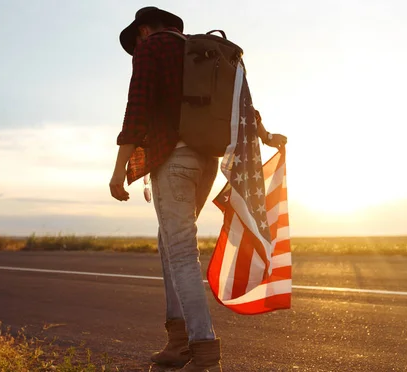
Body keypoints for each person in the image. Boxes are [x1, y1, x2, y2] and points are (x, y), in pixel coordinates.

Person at [109, 6, 288, 371]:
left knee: (180, 253)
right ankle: (178, 343)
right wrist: (266, 136)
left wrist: (118, 171)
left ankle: (204, 351)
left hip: (171, 159)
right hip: (207, 161)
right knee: (169, 242)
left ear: (144, 30)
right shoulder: (205, 54)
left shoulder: (152, 48)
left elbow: (136, 108)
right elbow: (242, 106)